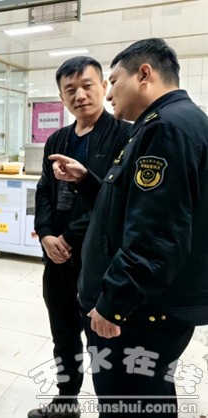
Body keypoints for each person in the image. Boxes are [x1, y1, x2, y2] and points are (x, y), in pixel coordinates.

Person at [50, 38, 208, 417]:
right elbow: (130, 210)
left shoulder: (166, 129)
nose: (109, 94)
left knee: (127, 403)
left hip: (138, 313)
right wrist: (87, 181)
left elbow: (157, 233)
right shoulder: (163, 124)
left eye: (114, 81)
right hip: (147, 306)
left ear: (144, 75)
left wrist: (113, 304)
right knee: (149, 397)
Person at [29, 57, 131, 418]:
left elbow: (114, 203)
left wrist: (67, 238)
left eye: (87, 85)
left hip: (98, 261)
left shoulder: (125, 135)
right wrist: (45, 234)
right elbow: (44, 190)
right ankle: (66, 400)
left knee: (101, 340)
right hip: (57, 259)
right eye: (70, 89)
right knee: (63, 333)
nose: (80, 95)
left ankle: (110, 408)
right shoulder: (58, 138)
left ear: (104, 87)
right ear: (61, 97)